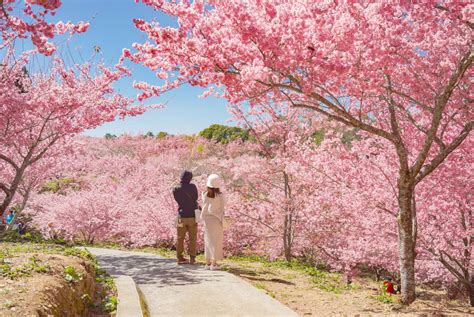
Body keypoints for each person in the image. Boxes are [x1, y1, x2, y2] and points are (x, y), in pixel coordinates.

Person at [172, 170, 199, 265]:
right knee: (193, 238)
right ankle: (192, 258)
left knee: (180, 238)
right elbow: (196, 198)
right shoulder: (192, 187)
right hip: (192, 216)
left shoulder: (176, 188)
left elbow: (177, 200)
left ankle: (180, 258)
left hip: (181, 216)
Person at [201, 174, 225, 270]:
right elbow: (223, 207)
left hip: (207, 220)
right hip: (217, 220)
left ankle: (207, 263)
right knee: (216, 241)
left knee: (208, 241)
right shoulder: (220, 196)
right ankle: (214, 264)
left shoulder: (204, 194)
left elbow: (204, 205)